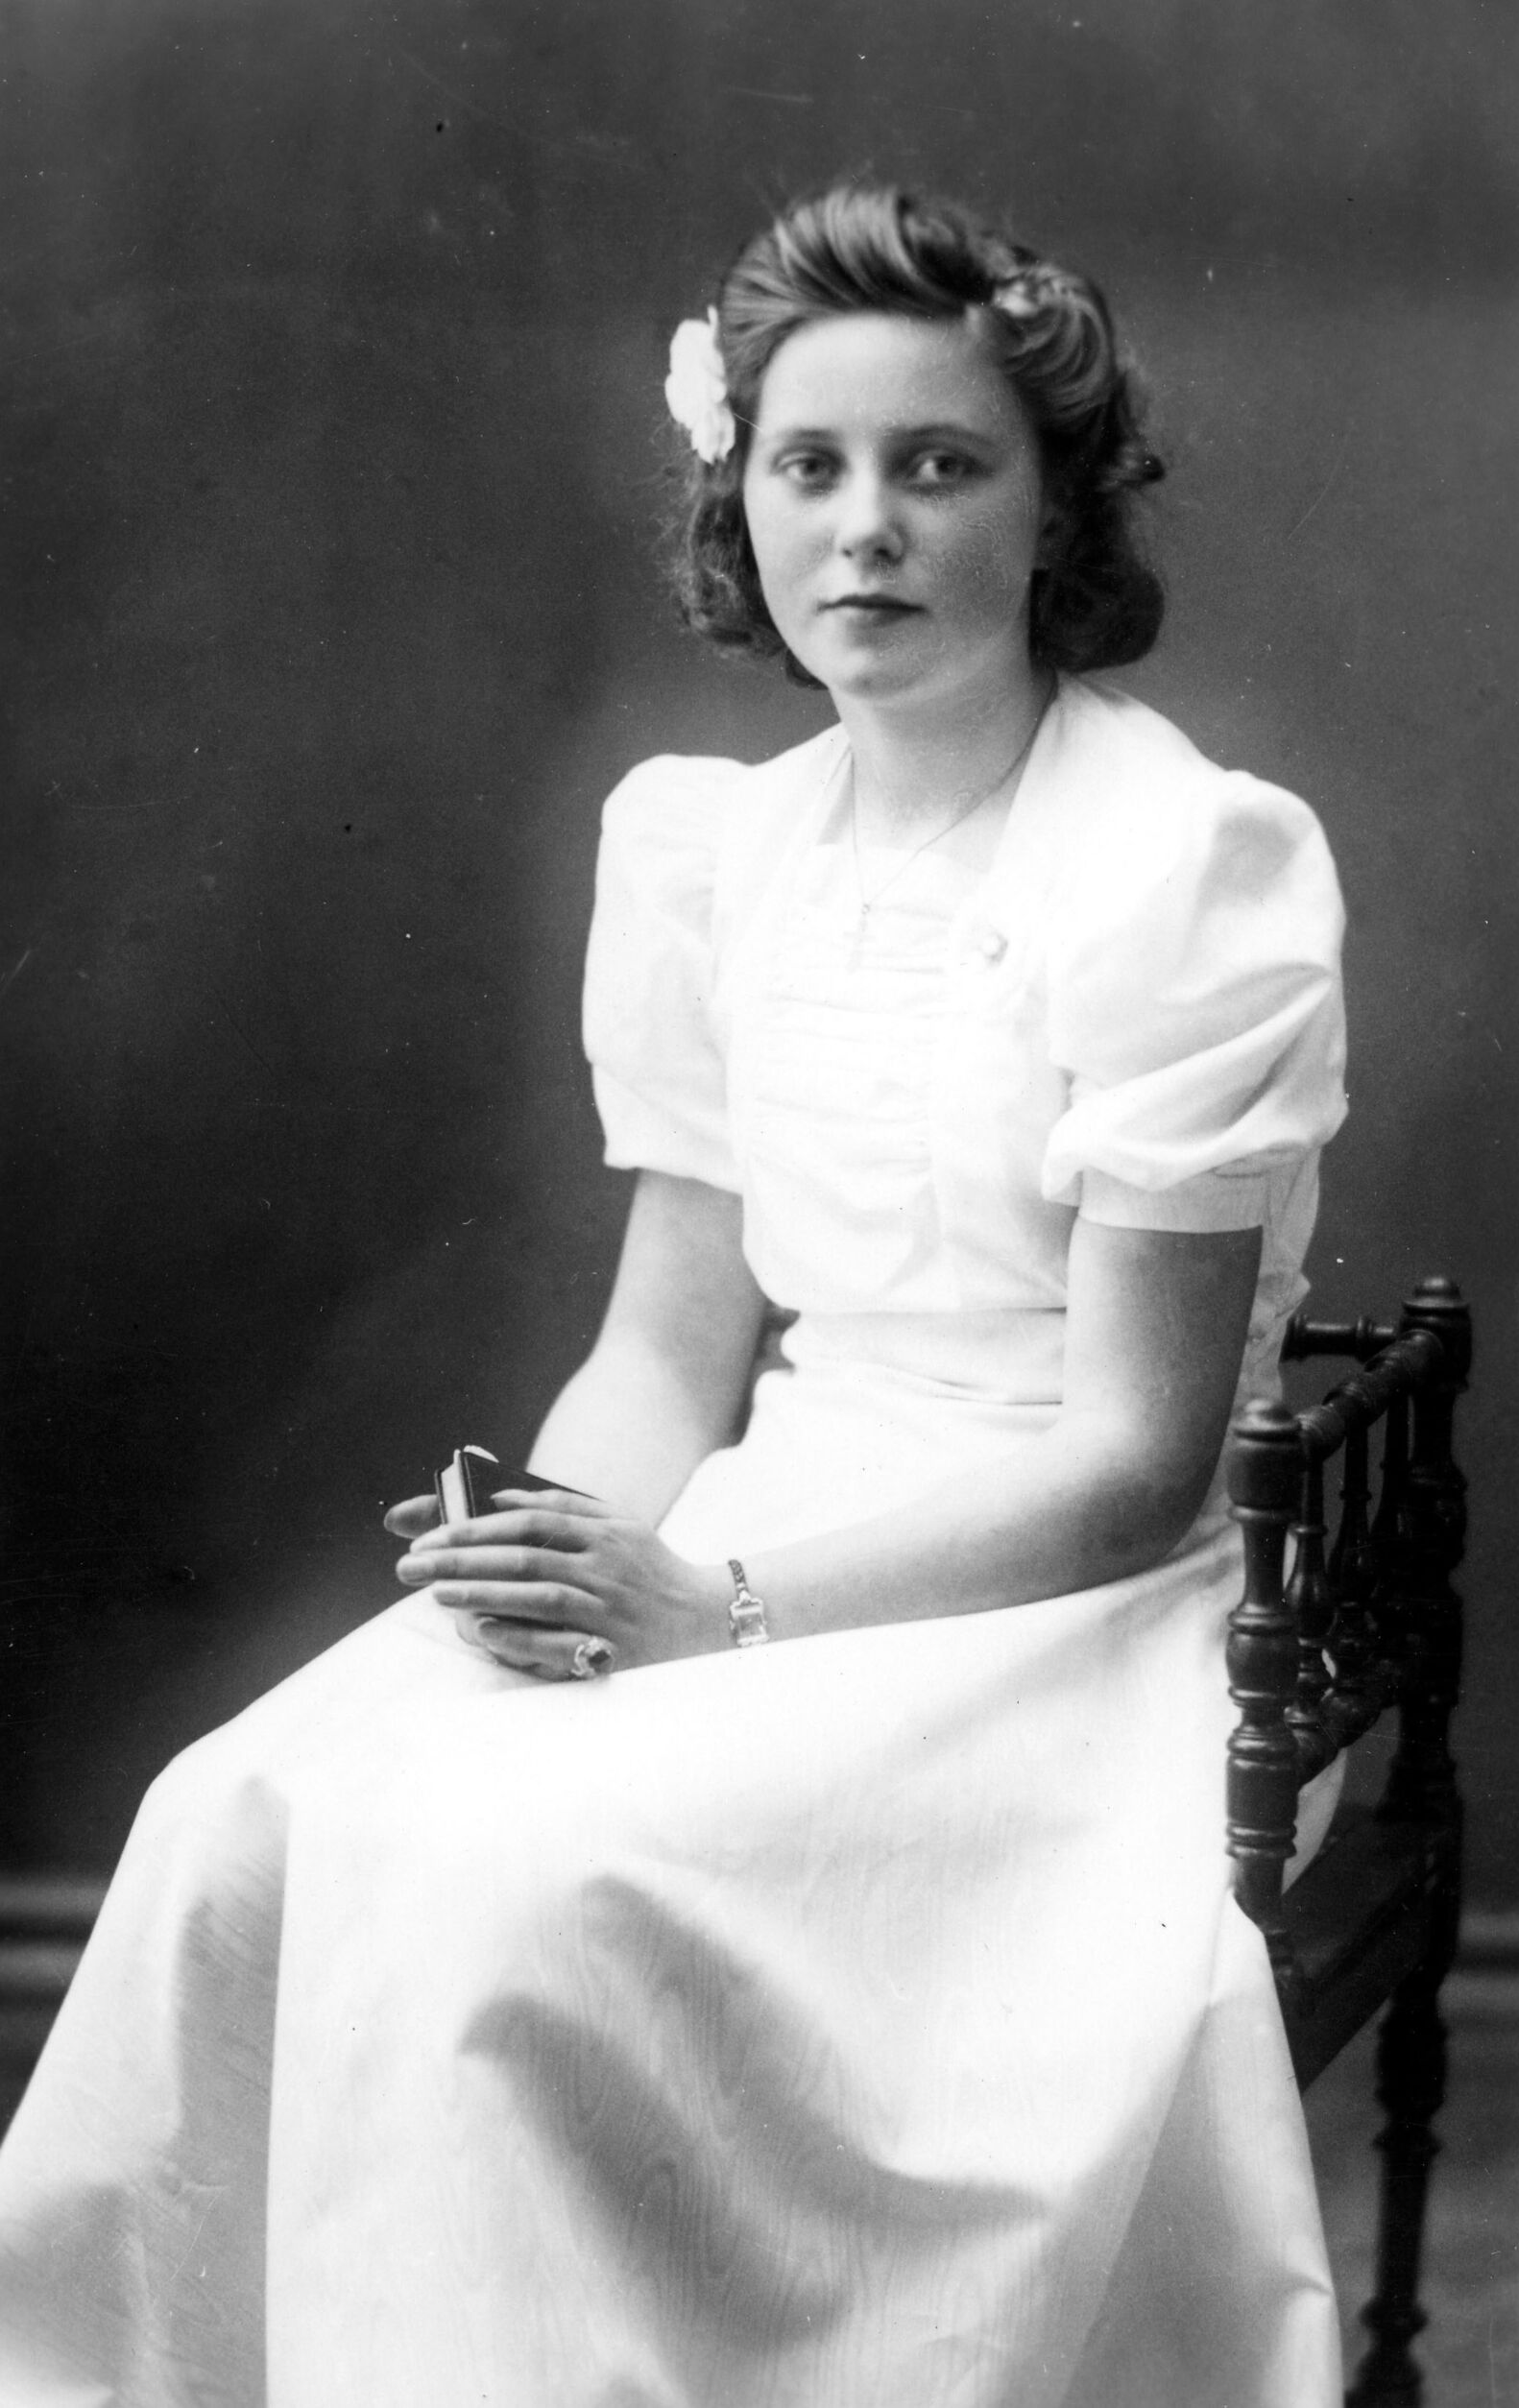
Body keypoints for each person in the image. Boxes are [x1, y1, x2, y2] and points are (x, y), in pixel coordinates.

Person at [0, 182, 1349, 2406]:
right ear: (742, 498)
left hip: (1051, 1612)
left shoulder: (1176, 861)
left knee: (508, 1884)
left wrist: (704, 1611)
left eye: (938, 465)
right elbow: (660, 1351)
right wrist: (543, 1558)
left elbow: (1127, 1464)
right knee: (236, 1818)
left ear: (1049, 510)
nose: (864, 527)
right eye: (808, 464)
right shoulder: (714, 852)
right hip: (751, 1515)